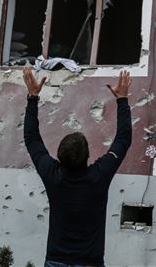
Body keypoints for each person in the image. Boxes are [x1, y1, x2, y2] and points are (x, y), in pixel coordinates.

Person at [23, 66, 132, 267]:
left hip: (56, 261)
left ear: (59, 158)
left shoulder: (51, 174)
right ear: (88, 156)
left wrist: (32, 97)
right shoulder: (99, 175)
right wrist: (122, 99)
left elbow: (31, 139)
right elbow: (123, 140)